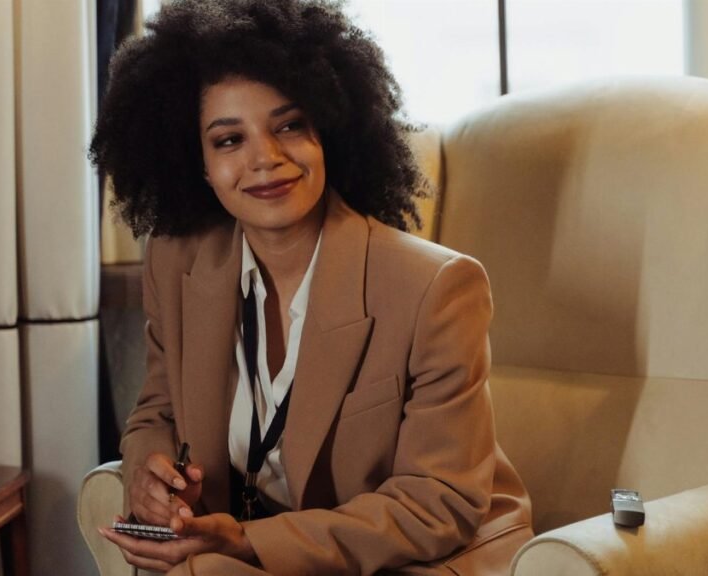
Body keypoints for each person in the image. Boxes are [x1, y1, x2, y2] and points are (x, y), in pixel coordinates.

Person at [89, 0, 533, 574]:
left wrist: (249, 541)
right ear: (197, 162)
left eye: (289, 125)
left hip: (420, 555)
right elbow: (158, 411)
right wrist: (152, 477)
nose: (265, 158)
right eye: (229, 140)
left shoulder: (436, 288)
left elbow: (437, 503)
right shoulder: (177, 262)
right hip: (265, 546)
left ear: (328, 129)